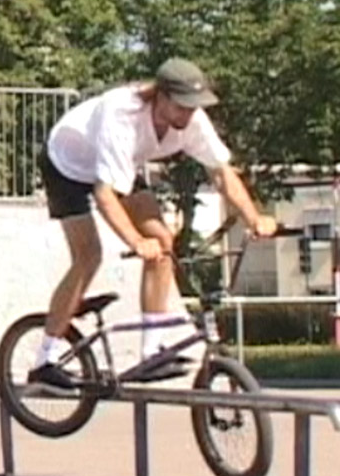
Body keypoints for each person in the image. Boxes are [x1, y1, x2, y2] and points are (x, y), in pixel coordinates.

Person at [30, 57, 277, 388]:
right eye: (181, 107)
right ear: (159, 96)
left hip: (120, 166)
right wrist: (134, 241)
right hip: (67, 166)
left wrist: (254, 218)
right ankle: (45, 360)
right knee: (89, 256)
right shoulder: (122, 113)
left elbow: (221, 172)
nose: (188, 115)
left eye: (193, 108)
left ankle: (151, 352)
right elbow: (105, 196)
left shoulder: (193, 121)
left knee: (163, 241)